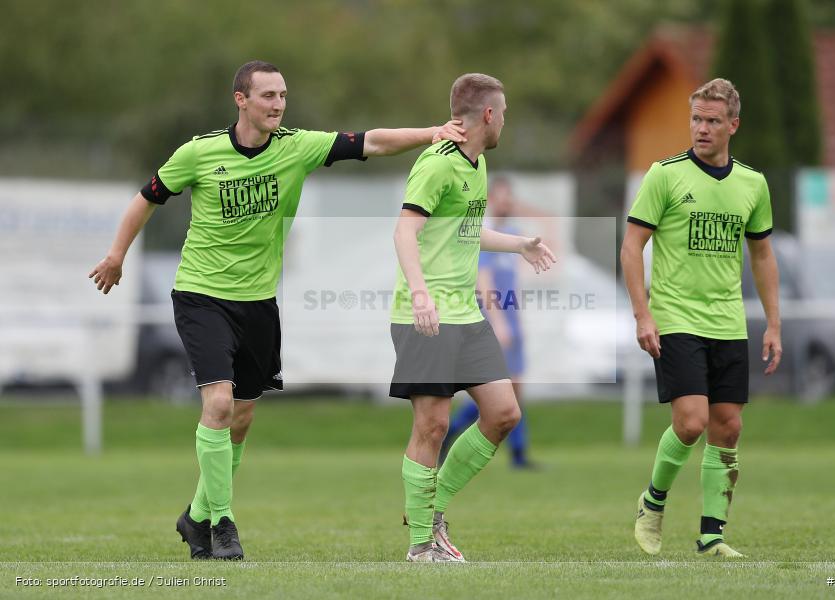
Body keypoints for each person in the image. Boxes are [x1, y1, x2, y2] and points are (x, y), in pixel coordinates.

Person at [88, 60, 466, 561]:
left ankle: (196, 515)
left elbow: (369, 142)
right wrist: (117, 255)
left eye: (283, 95)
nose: (279, 104)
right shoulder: (199, 153)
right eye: (268, 95)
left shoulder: (296, 147)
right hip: (201, 295)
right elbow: (146, 198)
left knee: (240, 418)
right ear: (240, 100)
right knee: (218, 404)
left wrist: (431, 133)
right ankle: (223, 525)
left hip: (259, 303)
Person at [390, 73, 556, 562]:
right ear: (487, 114)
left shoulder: (477, 163)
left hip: (465, 312)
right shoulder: (436, 163)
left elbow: (466, 231)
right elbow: (404, 233)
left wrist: (519, 243)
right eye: (503, 112)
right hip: (428, 313)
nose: (505, 120)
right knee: (432, 427)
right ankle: (422, 544)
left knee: (504, 413)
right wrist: (421, 294)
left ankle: (430, 507)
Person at [620, 78, 782, 558]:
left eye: (713, 121)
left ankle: (712, 535)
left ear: (733, 124)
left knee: (727, 427)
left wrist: (774, 323)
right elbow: (632, 247)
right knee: (691, 422)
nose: (702, 129)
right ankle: (652, 503)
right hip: (675, 317)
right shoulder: (664, 175)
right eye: (696, 119)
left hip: (728, 321)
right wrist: (642, 313)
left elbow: (763, 255)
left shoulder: (752, 183)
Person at [441, 176, 536, 469]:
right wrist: (498, 322)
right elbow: (483, 282)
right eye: (501, 196)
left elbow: (514, 281)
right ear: (490, 199)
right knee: (499, 392)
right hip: (493, 321)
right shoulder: (483, 233)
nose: (506, 201)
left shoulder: (515, 234)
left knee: (515, 389)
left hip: (511, 319)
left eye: (510, 196)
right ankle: (451, 432)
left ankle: (518, 454)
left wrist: (516, 319)